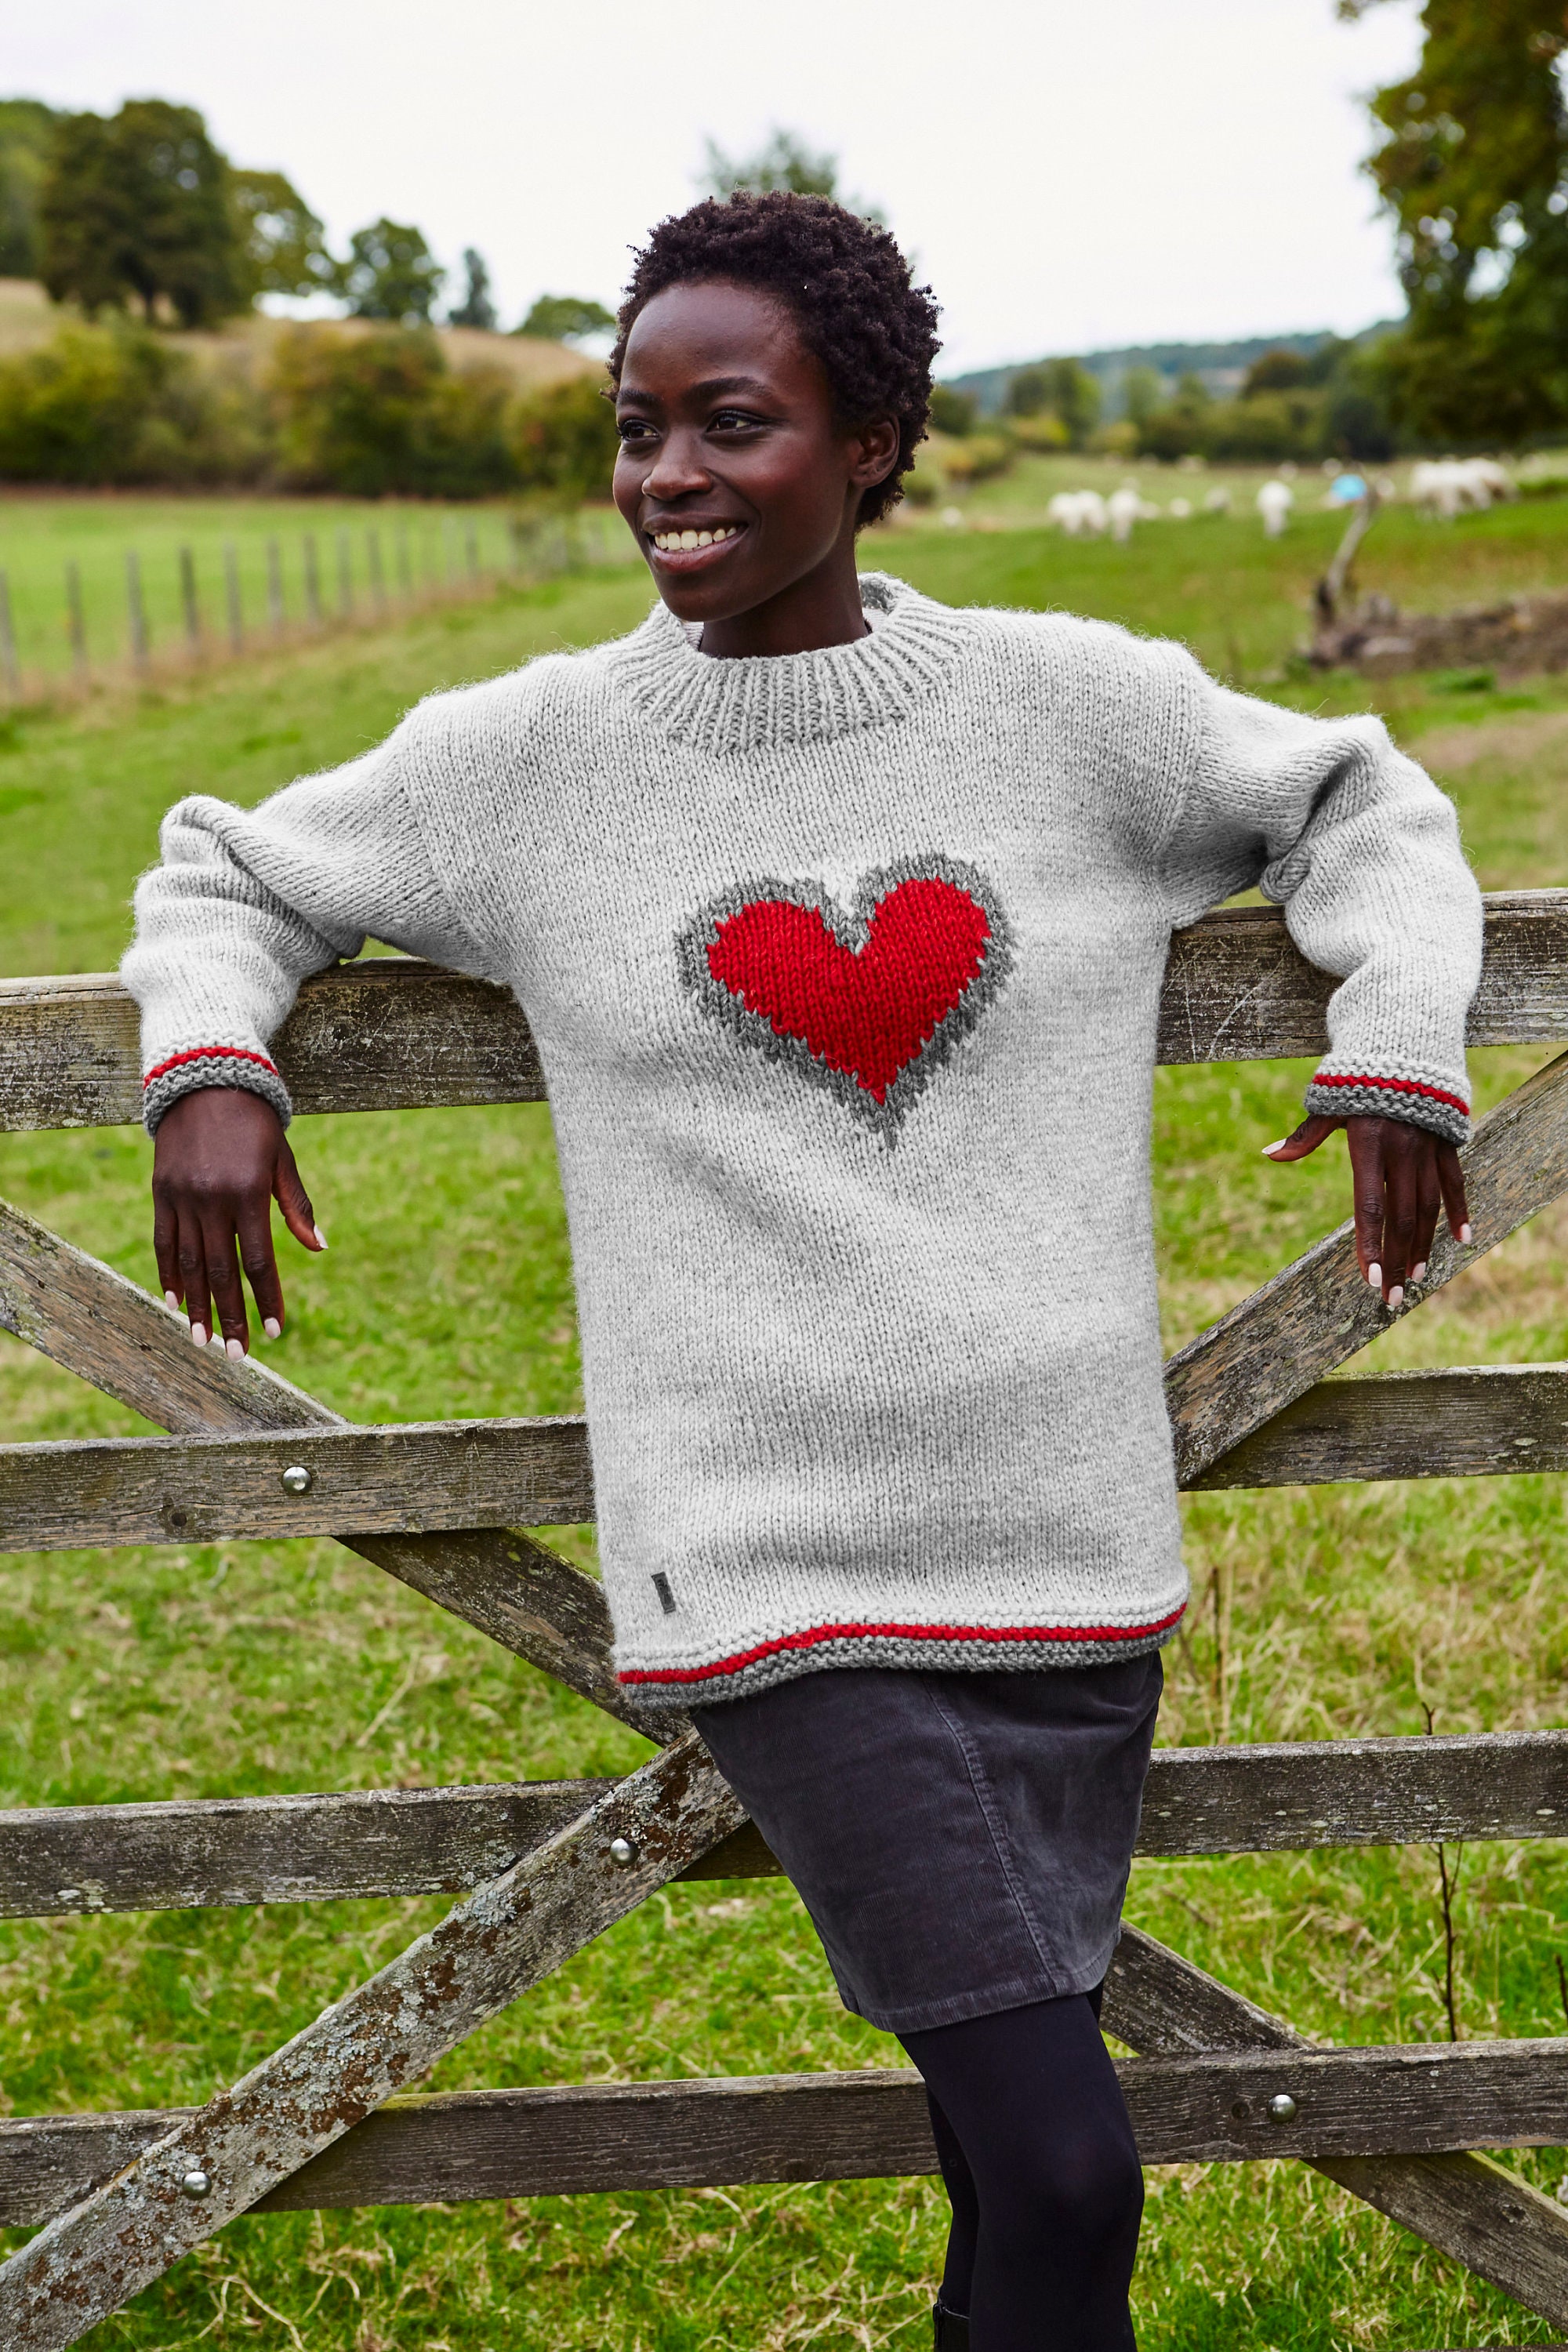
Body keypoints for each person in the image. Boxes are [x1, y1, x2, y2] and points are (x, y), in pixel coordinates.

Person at [122, 193, 1479, 2352]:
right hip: (770, 1568)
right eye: (634, 425)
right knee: (1066, 2165)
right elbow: (231, 869)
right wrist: (210, 1069)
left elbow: (1359, 798)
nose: (665, 472)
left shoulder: (1076, 709)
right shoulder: (532, 759)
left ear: (872, 441)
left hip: (1066, 1541)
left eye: (727, 422)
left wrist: (1399, 1043)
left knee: (994, 2174)